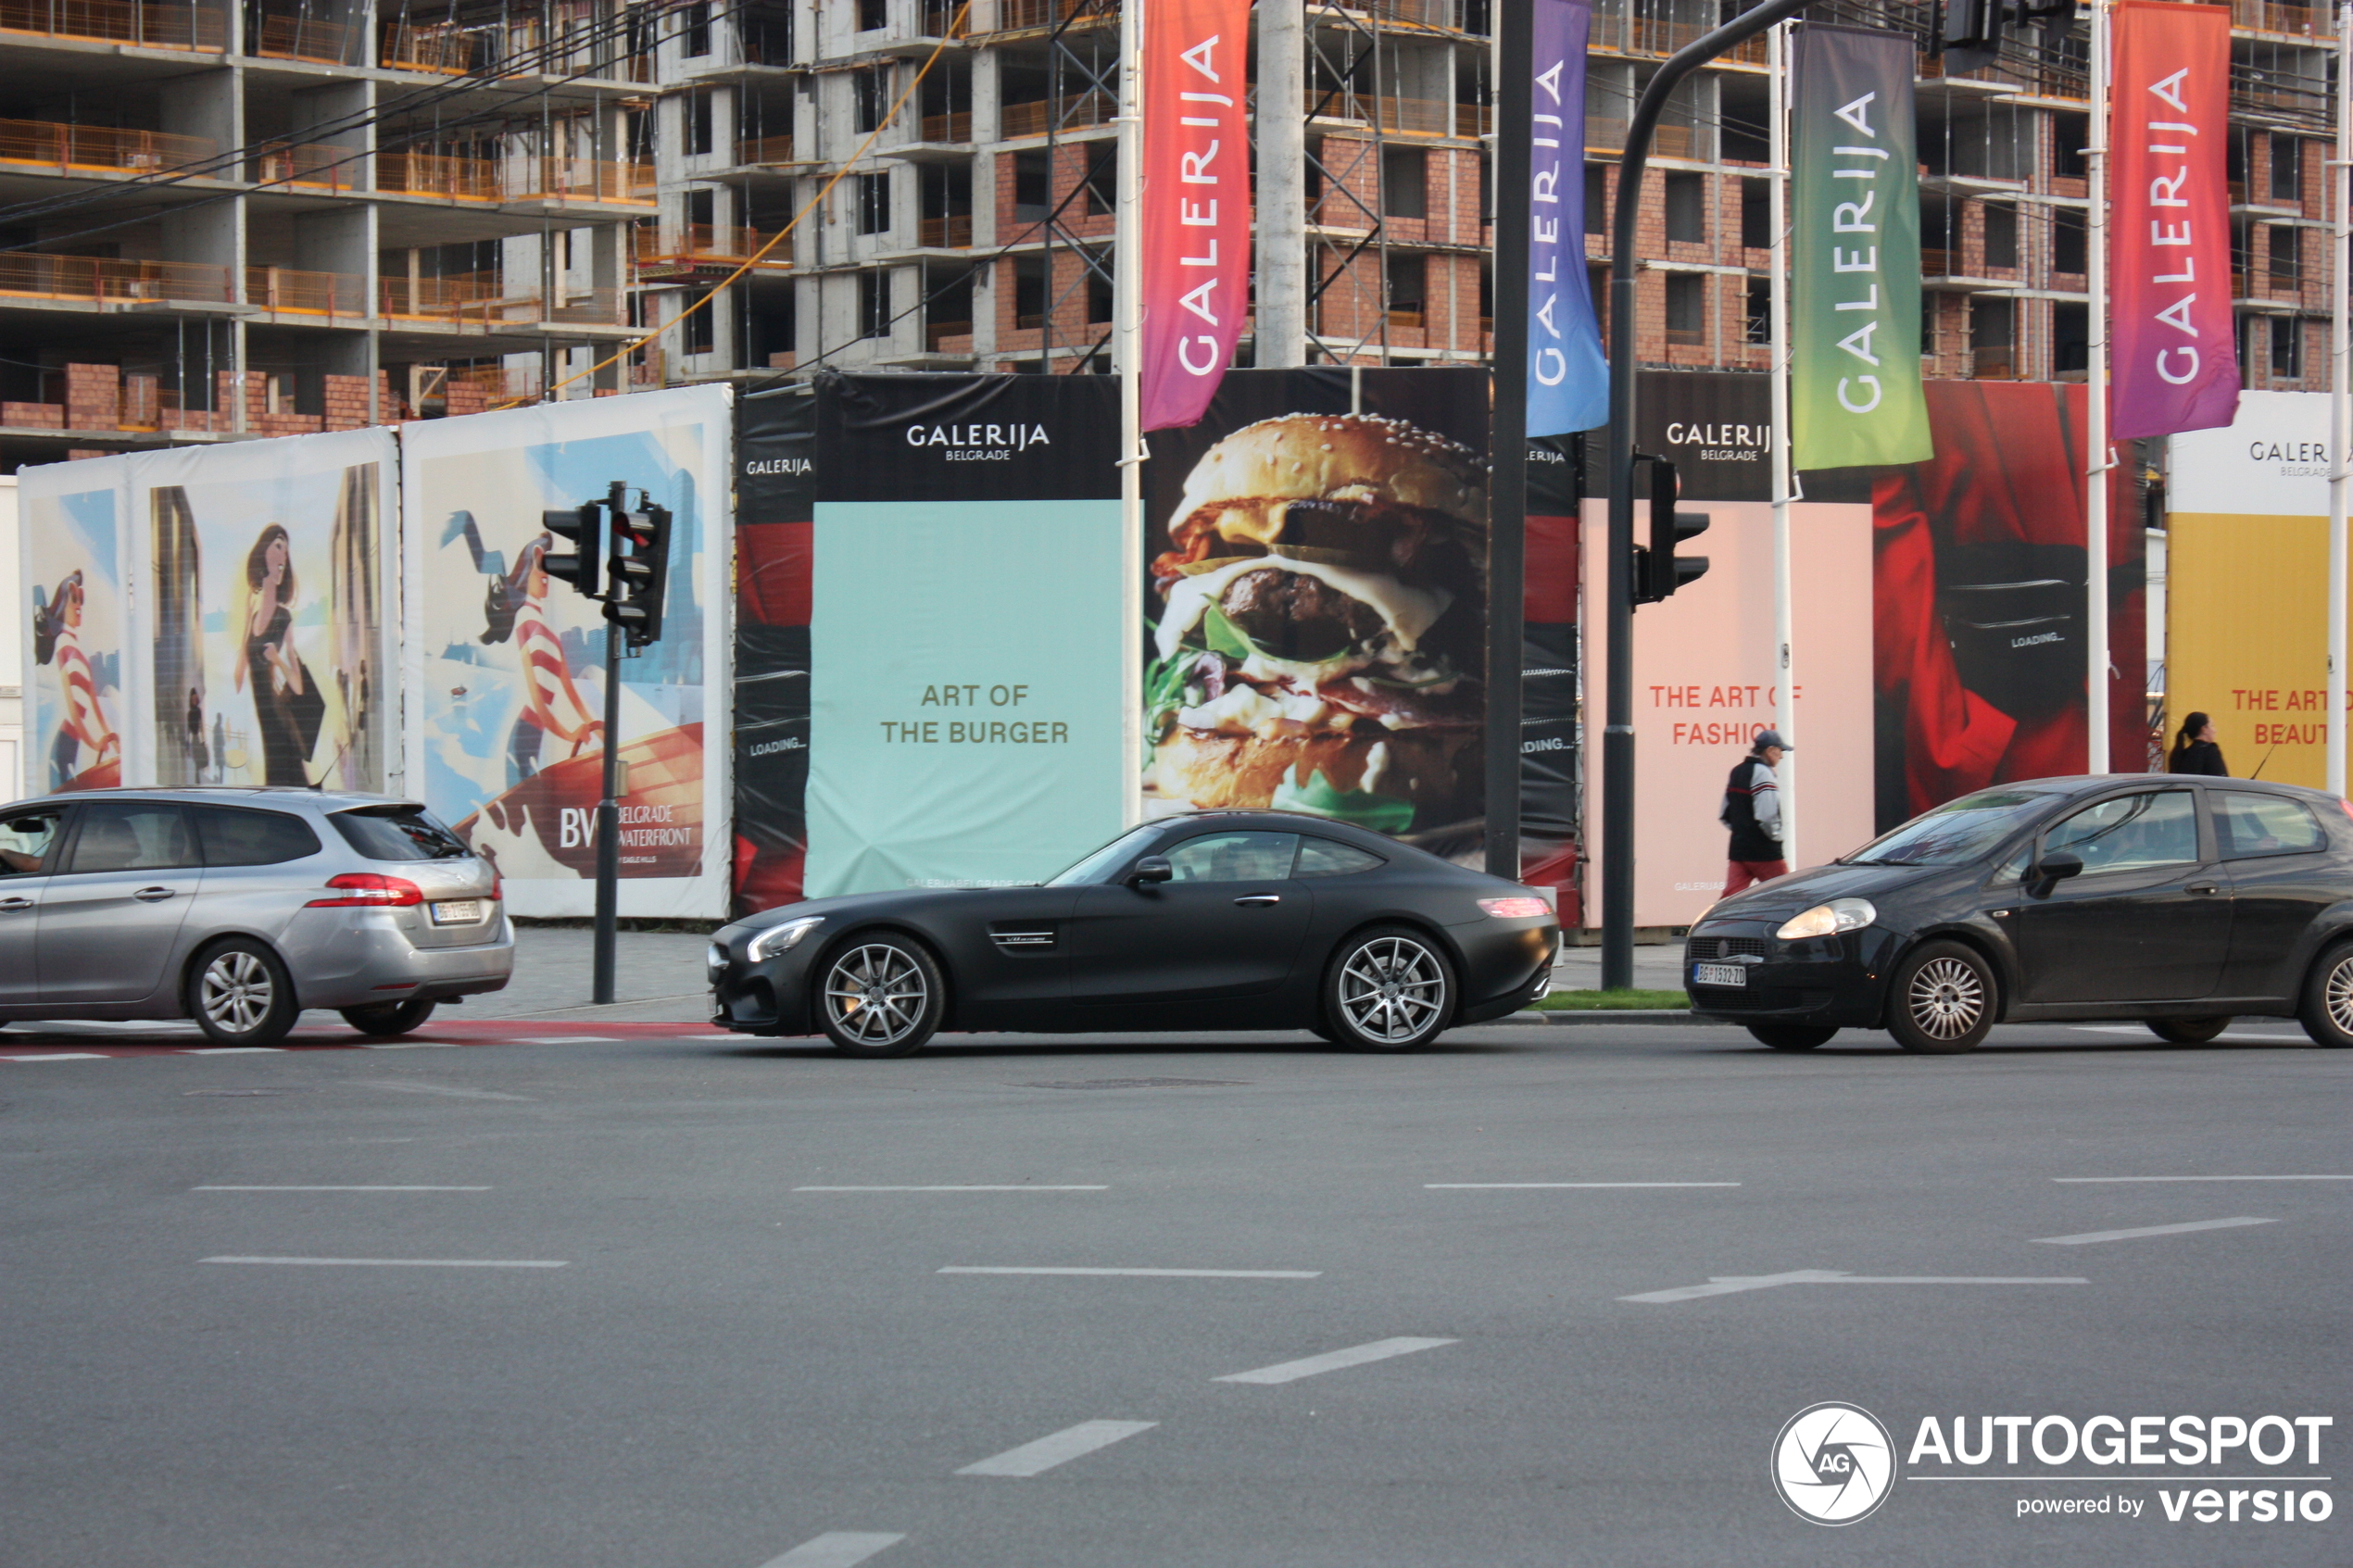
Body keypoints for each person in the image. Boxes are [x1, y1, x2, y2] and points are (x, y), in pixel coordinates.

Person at [234, 524, 323, 786]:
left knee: (285, 776)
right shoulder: (251, 610)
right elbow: (239, 672)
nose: (283, 556)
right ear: (263, 550)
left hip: (278, 718)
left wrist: (278, 661)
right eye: (278, 546)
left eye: (286, 551)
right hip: (263, 717)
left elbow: (297, 686)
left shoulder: (284, 617)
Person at [1721, 729, 1793, 897]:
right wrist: (1776, 837)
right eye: (1780, 751)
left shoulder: (1737, 771)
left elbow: (1725, 813)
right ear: (1770, 750)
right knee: (1785, 895)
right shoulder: (1764, 774)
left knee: (1730, 899)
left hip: (1738, 849)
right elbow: (1767, 816)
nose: (1781, 756)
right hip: (1764, 850)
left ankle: (1722, 923)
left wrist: (1742, 830)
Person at [2167, 711, 2229, 776]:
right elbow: (2222, 781)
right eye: (2212, 726)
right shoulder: (2210, 751)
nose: (2215, 730)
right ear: (2204, 729)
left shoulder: (2180, 755)